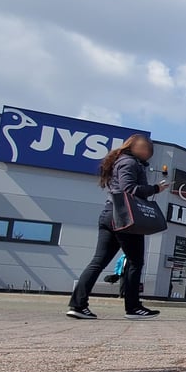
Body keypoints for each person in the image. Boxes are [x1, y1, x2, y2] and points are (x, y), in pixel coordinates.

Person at [66, 134, 168, 320]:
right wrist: (155, 189)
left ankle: (78, 305)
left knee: (98, 261)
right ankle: (133, 308)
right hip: (124, 218)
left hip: (110, 215)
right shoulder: (129, 163)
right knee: (135, 261)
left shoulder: (121, 161)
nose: (149, 152)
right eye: (146, 148)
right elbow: (128, 189)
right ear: (134, 147)